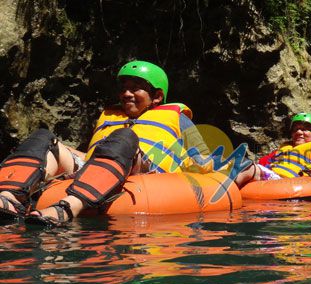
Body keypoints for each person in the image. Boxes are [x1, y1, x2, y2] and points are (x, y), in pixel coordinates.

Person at [0, 60, 210, 226]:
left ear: (156, 96)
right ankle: (9, 198)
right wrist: (58, 148)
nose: (126, 93)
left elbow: (203, 158)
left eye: (136, 88)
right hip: (102, 166)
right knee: (43, 136)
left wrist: (204, 170)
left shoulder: (178, 117)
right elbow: (96, 155)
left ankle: (67, 208)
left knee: (124, 137)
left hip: (144, 168)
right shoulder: (110, 115)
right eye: (124, 88)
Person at [234, 113, 311, 201]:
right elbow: (260, 165)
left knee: (248, 167)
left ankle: (226, 192)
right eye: (296, 129)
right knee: (244, 165)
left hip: (288, 184)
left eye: (305, 129)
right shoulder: (279, 151)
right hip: (269, 182)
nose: (299, 132)